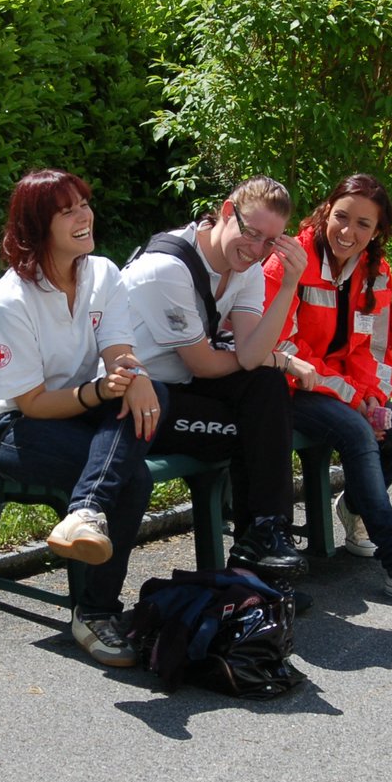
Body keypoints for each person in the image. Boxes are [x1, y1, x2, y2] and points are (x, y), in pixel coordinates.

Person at [0, 169, 164, 668]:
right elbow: (32, 403)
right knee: (133, 477)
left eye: (85, 203)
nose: (85, 216)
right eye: (67, 210)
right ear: (38, 227)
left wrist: (132, 375)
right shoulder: (10, 300)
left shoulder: (101, 273)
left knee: (153, 388)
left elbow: (119, 350)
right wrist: (102, 388)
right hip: (12, 429)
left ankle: (86, 511)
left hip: (74, 413)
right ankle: (95, 613)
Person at [120, 176, 309, 584]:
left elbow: (249, 354)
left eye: (269, 243)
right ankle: (256, 568)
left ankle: (264, 538)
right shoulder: (166, 269)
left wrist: (289, 284)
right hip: (141, 405)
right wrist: (275, 360)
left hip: (184, 386)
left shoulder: (247, 268)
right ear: (226, 211)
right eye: (251, 233)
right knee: (256, 428)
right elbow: (207, 364)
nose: (257, 250)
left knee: (266, 390)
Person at [263, 174, 392, 612]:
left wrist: (374, 399)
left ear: (378, 231)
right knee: (358, 434)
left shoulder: (377, 271)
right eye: (341, 217)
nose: (348, 231)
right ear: (326, 211)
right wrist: (352, 400)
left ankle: (355, 507)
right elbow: (280, 344)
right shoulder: (290, 260)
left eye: (363, 224)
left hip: (345, 391)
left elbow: (375, 348)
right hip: (288, 385)